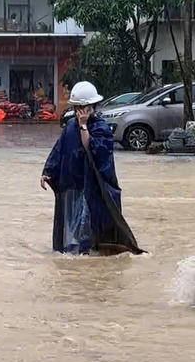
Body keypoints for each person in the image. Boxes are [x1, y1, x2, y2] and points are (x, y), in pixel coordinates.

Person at [40, 81, 142, 255]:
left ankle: (90, 253)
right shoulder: (70, 126)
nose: (79, 111)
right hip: (72, 186)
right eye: (76, 107)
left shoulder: (101, 128)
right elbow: (59, 149)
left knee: (88, 225)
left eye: (82, 107)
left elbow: (93, 149)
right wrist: (48, 171)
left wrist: (84, 126)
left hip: (92, 189)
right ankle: (73, 254)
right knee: (71, 226)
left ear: (91, 107)